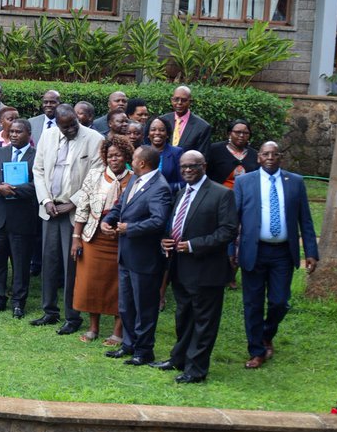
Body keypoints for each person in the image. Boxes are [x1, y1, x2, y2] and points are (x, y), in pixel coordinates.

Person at [233, 141, 319, 369]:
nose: (270, 157)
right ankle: (257, 351)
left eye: (274, 154)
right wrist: (231, 250)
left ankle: (266, 333)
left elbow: (305, 219)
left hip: (282, 252)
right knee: (252, 303)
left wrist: (311, 252)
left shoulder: (295, 182)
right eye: (265, 154)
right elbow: (234, 219)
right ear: (258, 157)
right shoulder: (244, 182)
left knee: (279, 302)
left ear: (280, 157)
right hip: (254, 250)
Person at [155, 150, 238, 383]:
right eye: (184, 167)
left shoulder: (221, 194)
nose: (188, 170)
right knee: (183, 317)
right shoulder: (181, 192)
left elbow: (228, 231)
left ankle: (196, 369)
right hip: (180, 268)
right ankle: (178, 359)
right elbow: (174, 224)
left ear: (204, 166)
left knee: (204, 322)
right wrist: (165, 239)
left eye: (193, 166)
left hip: (207, 270)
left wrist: (192, 245)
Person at [32, 104, 104, 334]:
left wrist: (73, 202)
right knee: (49, 261)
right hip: (50, 209)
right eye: (66, 127)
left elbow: (96, 177)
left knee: (71, 265)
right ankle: (49, 311)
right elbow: (38, 170)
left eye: (73, 124)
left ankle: (73, 316)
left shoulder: (94, 139)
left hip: (75, 212)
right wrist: (45, 200)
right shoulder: (48, 134)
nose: (71, 129)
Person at [102, 145, 172, 366]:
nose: (130, 160)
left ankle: (144, 350)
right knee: (126, 305)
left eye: (133, 158)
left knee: (145, 307)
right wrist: (108, 221)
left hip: (145, 258)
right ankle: (128, 344)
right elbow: (120, 205)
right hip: (126, 255)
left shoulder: (159, 187)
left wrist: (128, 228)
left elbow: (158, 220)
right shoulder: (135, 179)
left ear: (142, 163)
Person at [70, 136, 133, 345]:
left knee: (119, 285)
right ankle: (93, 327)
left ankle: (117, 331)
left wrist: (122, 228)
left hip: (122, 240)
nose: (113, 159)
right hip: (94, 236)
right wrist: (76, 238)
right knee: (91, 283)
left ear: (126, 156)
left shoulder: (134, 178)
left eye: (118, 155)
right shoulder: (95, 174)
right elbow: (83, 207)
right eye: (109, 155)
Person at [0, 119, 37, 319]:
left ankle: (18, 302)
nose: (14, 135)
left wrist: (13, 190)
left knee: (20, 263)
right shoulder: (0, 153)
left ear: (28, 134)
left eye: (18, 132)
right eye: (11, 131)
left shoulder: (36, 156)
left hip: (23, 217)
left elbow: (38, 184)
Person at [205, 119, 259, 190]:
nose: (241, 135)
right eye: (238, 132)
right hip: (219, 195)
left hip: (246, 196)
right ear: (229, 134)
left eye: (246, 133)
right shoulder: (215, 150)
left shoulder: (255, 155)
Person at [161, 85, 213, 155]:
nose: (179, 103)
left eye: (184, 100)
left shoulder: (202, 127)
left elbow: (202, 157)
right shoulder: (162, 121)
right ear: (172, 100)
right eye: (176, 99)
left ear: (190, 102)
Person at [147, 117, 184, 192]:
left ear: (167, 134)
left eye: (162, 130)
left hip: (169, 198)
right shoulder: (141, 152)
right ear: (148, 134)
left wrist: (163, 189)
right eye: (153, 130)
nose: (157, 133)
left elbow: (183, 182)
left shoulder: (177, 153)